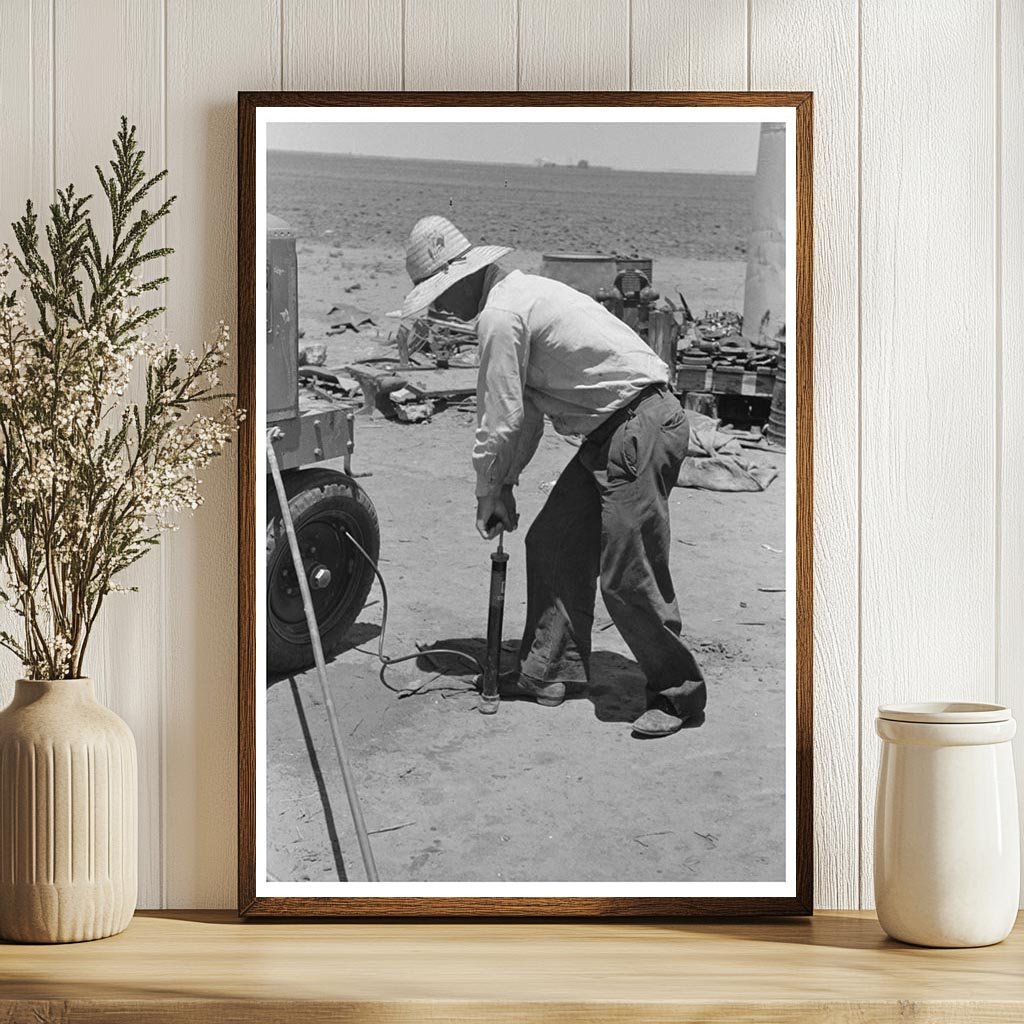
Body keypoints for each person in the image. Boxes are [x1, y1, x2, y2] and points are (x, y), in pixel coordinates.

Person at [391, 216, 706, 738]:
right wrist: (506, 484)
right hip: (615, 430)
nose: (442, 308)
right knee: (554, 540)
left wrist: (487, 491)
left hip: (639, 426)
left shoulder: (500, 315)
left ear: (468, 277)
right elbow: (529, 415)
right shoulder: (518, 297)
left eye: (441, 294)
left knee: (627, 574)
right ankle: (550, 672)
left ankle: (678, 696)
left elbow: (501, 417)